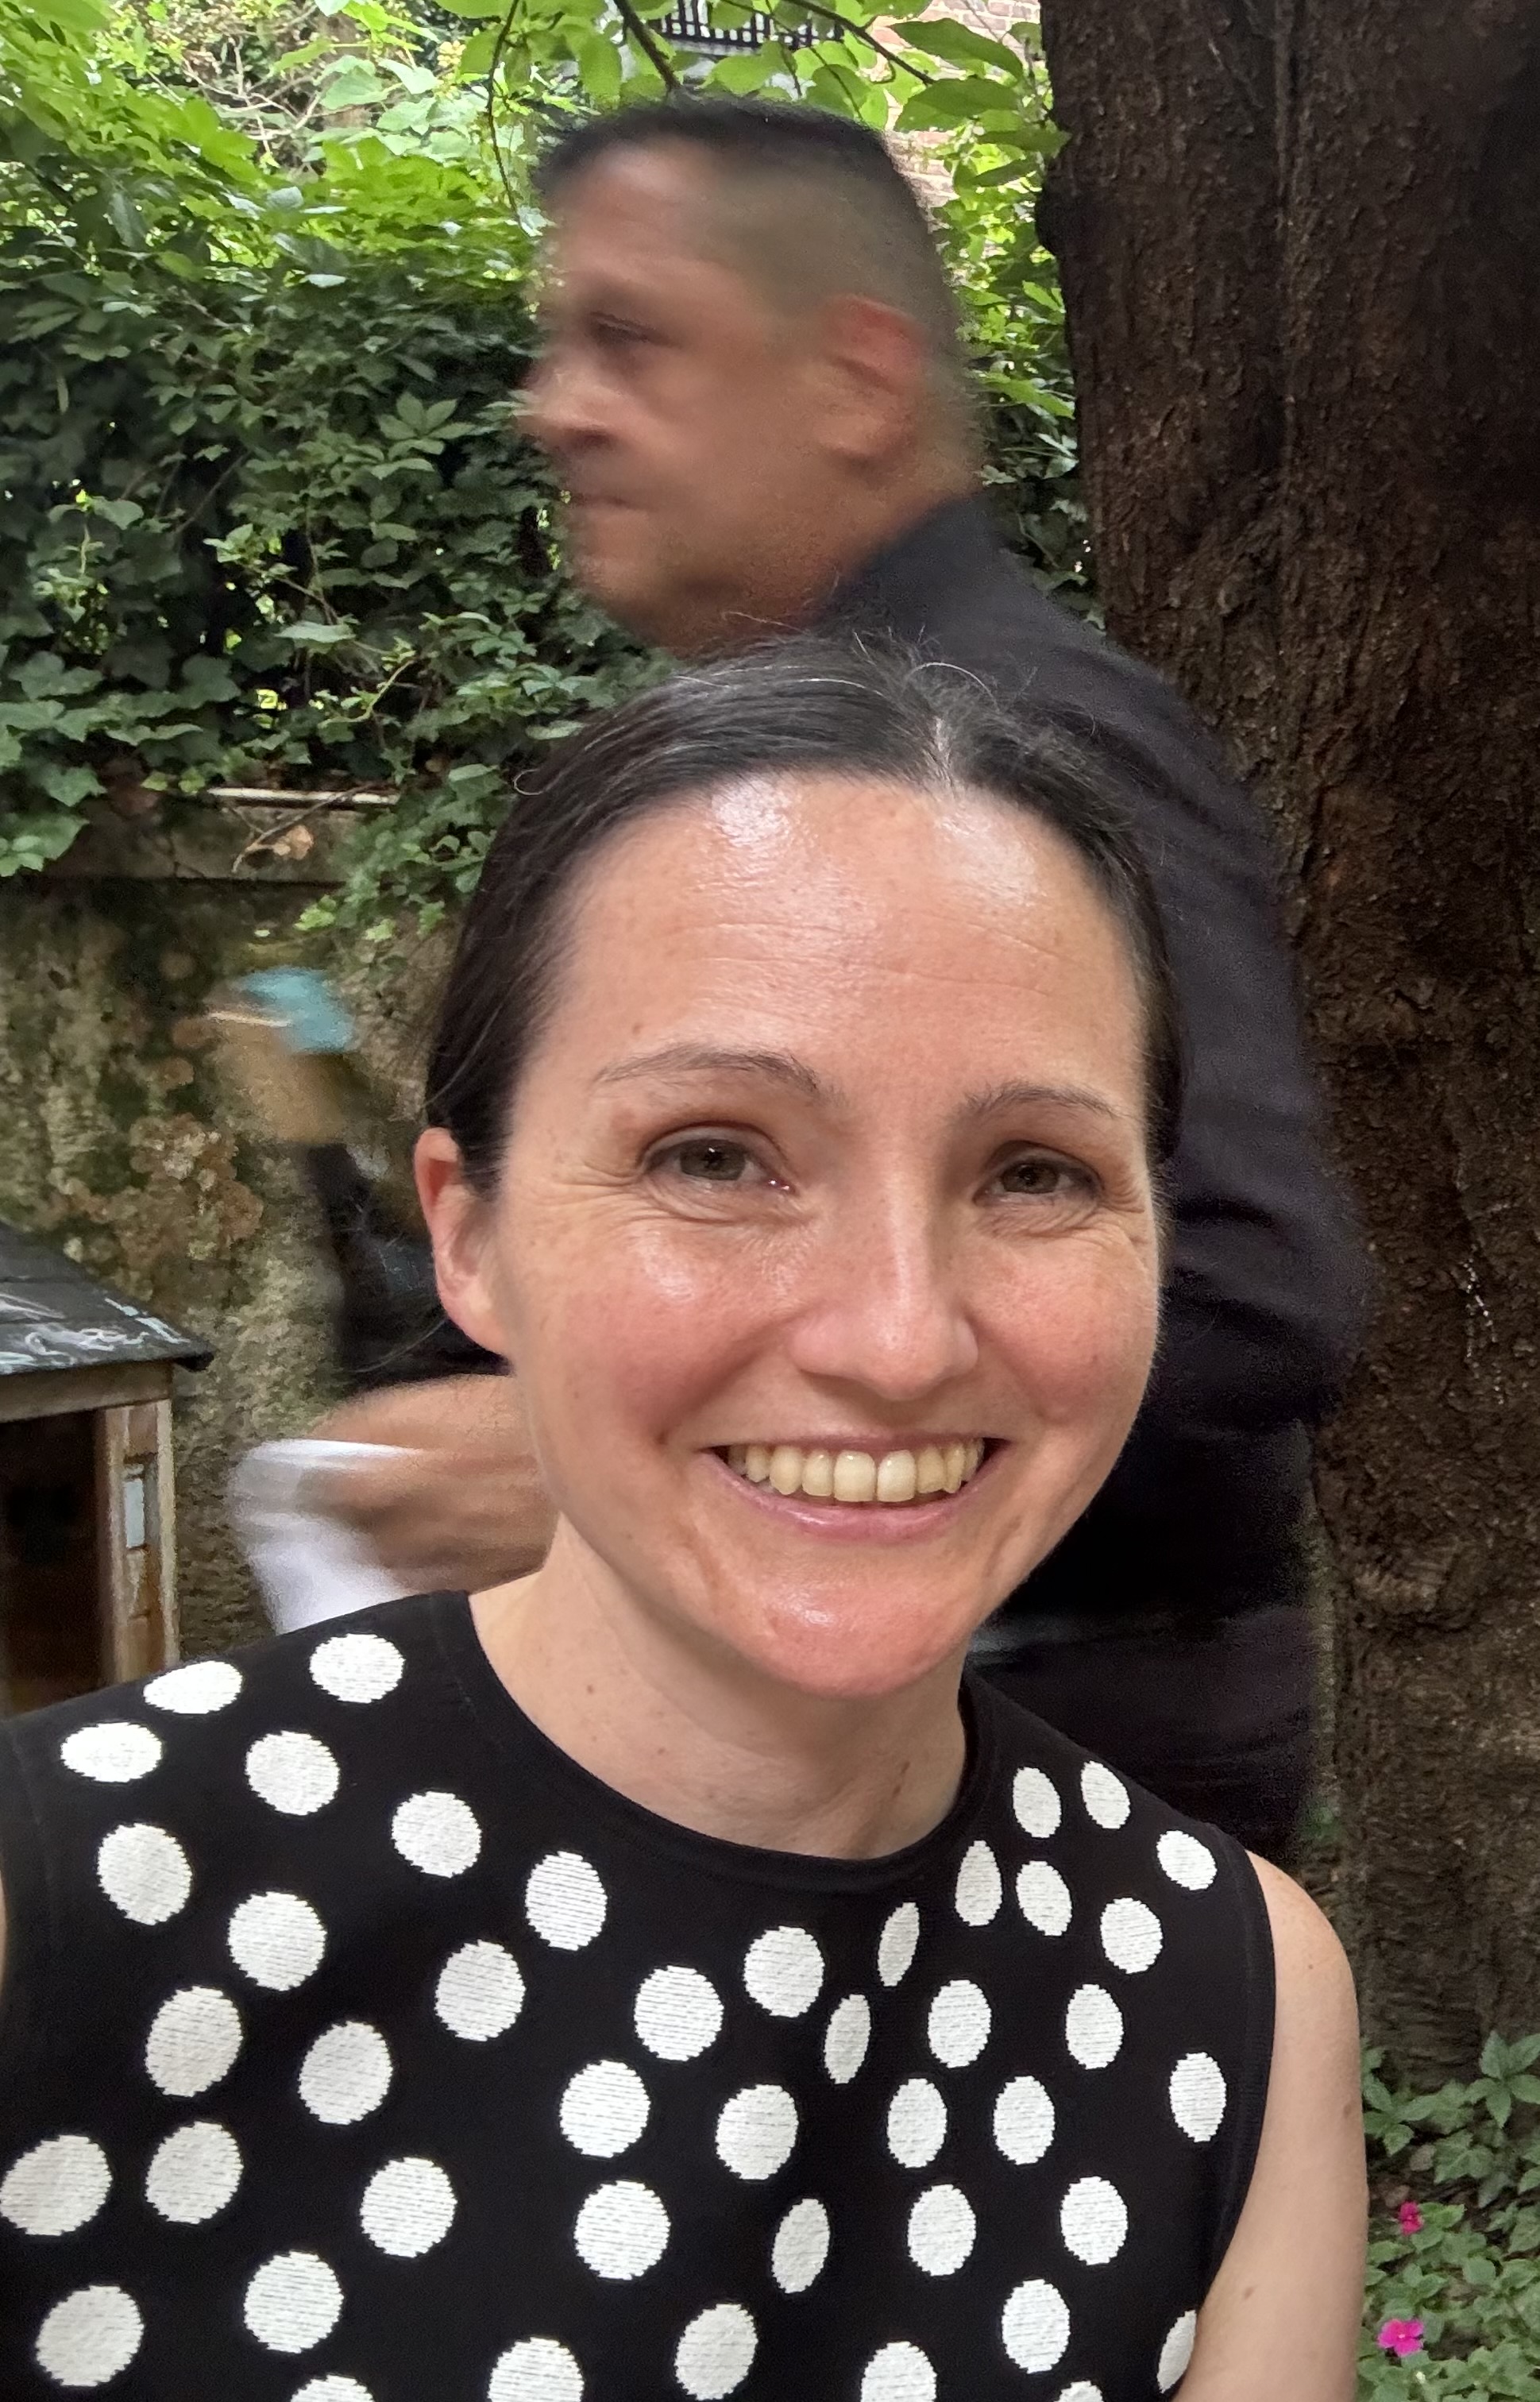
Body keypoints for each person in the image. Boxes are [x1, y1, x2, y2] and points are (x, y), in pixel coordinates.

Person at [0, 647, 1363, 2396]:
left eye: (1035, 1172)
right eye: (712, 1156)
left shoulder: (1233, 2001)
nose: (896, 1341)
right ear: (469, 1234)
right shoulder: (63, 1909)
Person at [311, 97, 1364, 1863]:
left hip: (1031, 1785)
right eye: (713, 1155)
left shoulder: (1019, 747)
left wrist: (609, 1456)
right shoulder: (741, 757)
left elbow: (1260, 1289)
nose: (555, 409)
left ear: (858, 380)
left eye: (631, 340)